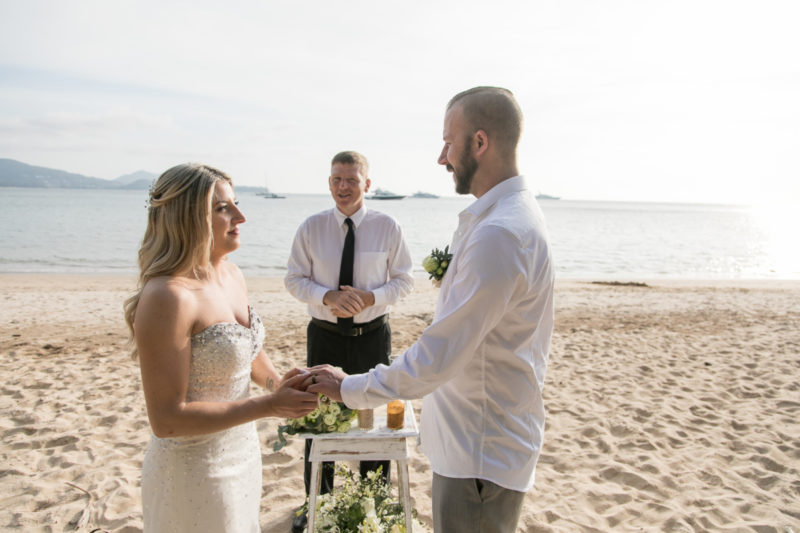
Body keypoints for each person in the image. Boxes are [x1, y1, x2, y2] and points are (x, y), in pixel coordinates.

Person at [303, 87, 555, 533]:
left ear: (480, 143)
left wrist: (350, 388)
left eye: (448, 142)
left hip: (479, 454)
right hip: (477, 445)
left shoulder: (500, 233)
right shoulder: (504, 219)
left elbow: (438, 357)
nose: (442, 157)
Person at [123, 163, 319, 533]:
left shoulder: (232, 273)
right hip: (193, 471)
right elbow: (166, 421)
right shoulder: (167, 297)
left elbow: (244, 348)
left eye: (236, 203)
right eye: (222, 208)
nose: (240, 216)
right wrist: (269, 406)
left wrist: (279, 384)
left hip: (243, 454)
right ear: (188, 218)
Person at [284, 150, 414, 532]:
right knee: (317, 420)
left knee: (370, 421)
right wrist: (328, 296)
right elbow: (293, 279)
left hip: (372, 338)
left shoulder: (388, 226)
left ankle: (372, 504)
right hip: (324, 337)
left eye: (352, 180)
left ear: (367, 185)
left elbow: (405, 281)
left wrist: (370, 297)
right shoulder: (310, 227)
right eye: (337, 180)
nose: (343, 187)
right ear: (329, 183)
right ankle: (316, 505)